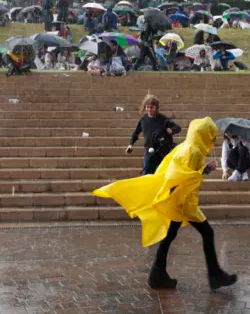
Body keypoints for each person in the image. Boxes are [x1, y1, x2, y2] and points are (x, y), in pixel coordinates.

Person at [94, 117, 237, 290]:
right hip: (182, 202)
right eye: (212, 136)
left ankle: (158, 274)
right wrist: (204, 171)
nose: (213, 140)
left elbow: (179, 172)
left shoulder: (185, 146)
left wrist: (202, 171)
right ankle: (213, 275)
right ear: (203, 134)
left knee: (171, 237)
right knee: (205, 233)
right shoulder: (195, 151)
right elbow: (185, 177)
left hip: (178, 200)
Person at [127, 95, 181, 174]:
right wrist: (131, 144)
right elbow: (136, 133)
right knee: (147, 175)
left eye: (151, 107)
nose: (149, 109)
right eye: (147, 107)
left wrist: (171, 130)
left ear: (156, 107)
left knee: (161, 174)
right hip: (149, 152)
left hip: (162, 153)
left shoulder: (163, 119)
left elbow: (178, 128)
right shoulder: (143, 120)